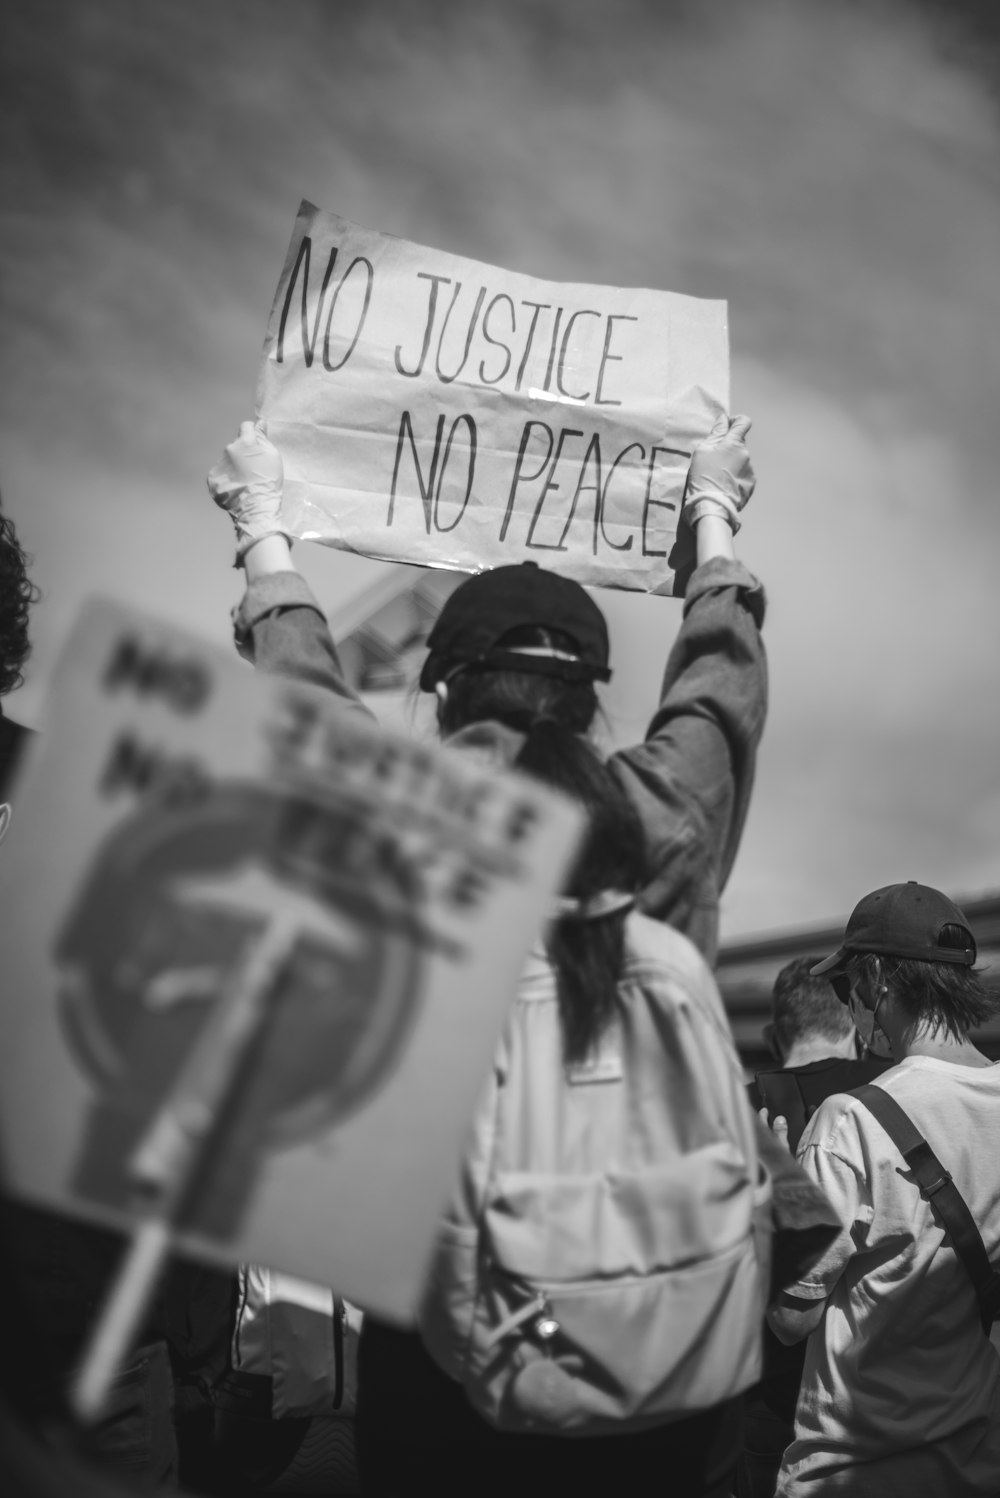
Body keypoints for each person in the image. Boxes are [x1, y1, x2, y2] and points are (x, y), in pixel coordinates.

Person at [207, 412, 767, 1496]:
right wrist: (713, 518)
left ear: (445, 689)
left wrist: (261, 528)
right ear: (595, 693)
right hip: (676, 1370)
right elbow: (720, 690)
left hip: (450, 1370)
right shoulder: (664, 819)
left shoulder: (406, 826)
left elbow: (305, 698)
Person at [768, 882, 1000, 1497]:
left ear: (876, 978)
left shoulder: (850, 1121)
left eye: (847, 988)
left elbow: (792, 1317)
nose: (850, 1005)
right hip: (978, 1467)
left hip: (852, 1475)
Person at [738, 958, 892, 1498]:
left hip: (766, 1401)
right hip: (884, 1399)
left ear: (776, 1034)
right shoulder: (890, 1100)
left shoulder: (732, 1115)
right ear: (853, 1022)